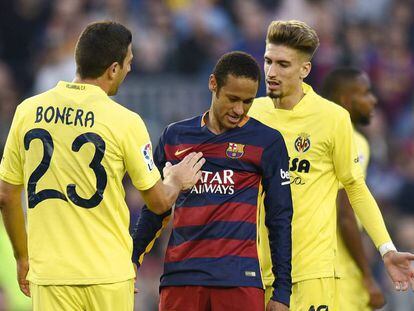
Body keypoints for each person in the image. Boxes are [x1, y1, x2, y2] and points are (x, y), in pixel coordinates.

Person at [0, 21, 204, 311]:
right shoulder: (125, 121)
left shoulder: (27, 111)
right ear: (113, 69)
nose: (130, 69)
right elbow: (159, 202)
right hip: (108, 276)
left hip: (51, 276)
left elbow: (6, 196)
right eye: (129, 62)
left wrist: (22, 257)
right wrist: (176, 179)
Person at [248, 20, 414, 310]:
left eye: (283, 64)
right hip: (251, 271)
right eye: (268, 61)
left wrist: (386, 249)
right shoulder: (252, 113)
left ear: (305, 70)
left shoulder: (332, 118)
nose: (272, 73)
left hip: (311, 273)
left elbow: (355, 189)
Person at [132, 51, 293, 311]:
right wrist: (132, 260)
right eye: (232, 99)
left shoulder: (267, 142)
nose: (239, 110)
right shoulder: (175, 136)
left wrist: (282, 290)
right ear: (213, 84)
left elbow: (280, 218)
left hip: (240, 280)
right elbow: (155, 208)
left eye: (248, 102)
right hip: (181, 278)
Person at [321, 67, 385, 310]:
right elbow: (345, 214)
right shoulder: (353, 142)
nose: (373, 99)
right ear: (347, 100)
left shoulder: (319, 135)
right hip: (340, 268)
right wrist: (368, 276)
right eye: (366, 93)